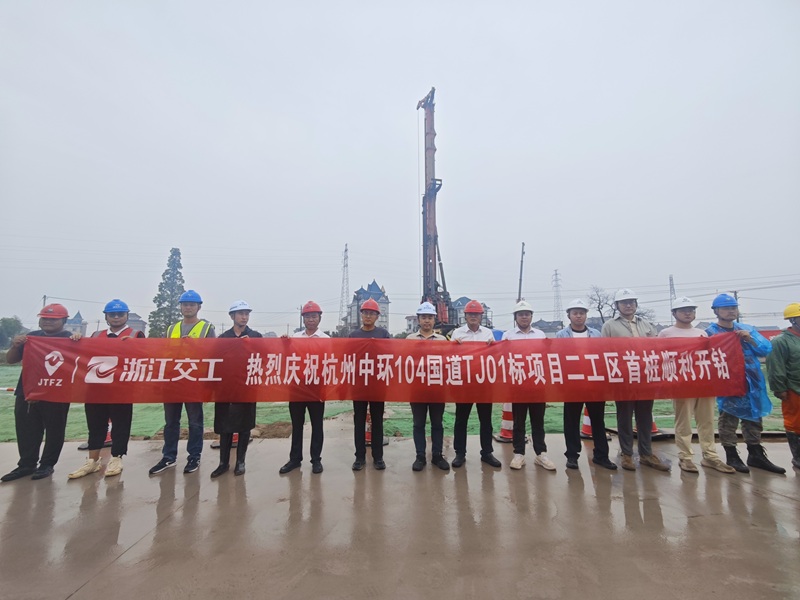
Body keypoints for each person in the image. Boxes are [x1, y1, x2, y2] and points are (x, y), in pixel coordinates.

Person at [706, 294, 784, 473]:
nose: (731, 311)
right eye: (726, 308)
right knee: (728, 418)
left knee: (754, 417)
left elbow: (765, 349)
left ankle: (756, 454)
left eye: (733, 307)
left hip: (752, 381)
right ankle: (732, 455)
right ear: (716, 311)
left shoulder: (747, 329)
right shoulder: (710, 333)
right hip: (729, 382)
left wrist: (749, 339)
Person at [68, 299, 145, 480]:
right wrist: (76, 340)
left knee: (120, 424)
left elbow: (145, 355)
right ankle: (92, 461)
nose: (116, 317)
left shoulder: (135, 334)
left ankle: (116, 458)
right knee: (95, 425)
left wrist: (134, 345)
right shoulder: (96, 335)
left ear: (126, 316)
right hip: (96, 388)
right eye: (112, 314)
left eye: (120, 314)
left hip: (121, 389)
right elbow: (81, 354)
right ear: (106, 317)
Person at [2, 304, 80, 482]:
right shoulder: (31, 338)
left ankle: (47, 464)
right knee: (26, 429)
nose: (48, 322)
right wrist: (15, 345)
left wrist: (79, 340)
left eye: (53, 319)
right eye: (44, 318)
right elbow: (11, 360)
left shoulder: (71, 339)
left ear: (64, 321)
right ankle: (26, 464)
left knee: (54, 429)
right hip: (27, 391)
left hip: (57, 392)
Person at [657, 297, 734, 474]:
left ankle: (710, 456)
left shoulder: (701, 333)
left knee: (707, 420)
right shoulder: (666, 333)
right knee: (684, 421)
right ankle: (685, 457)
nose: (688, 313)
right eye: (683, 310)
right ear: (674, 313)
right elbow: (660, 358)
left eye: (691, 310)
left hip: (703, 383)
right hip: (681, 384)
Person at [601, 288, 669, 471]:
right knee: (624, 416)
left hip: (645, 378)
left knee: (645, 416)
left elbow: (656, 349)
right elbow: (605, 352)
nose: (628, 305)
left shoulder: (646, 324)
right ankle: (627, 454)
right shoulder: (609, 326)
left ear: (636, 304)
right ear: (617, 306)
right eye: (624, 302)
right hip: (624, 378)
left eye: (631, 302)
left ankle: (646, 453)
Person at [149, 289, 215, 476]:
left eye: (192, 304)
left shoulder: (206, 328)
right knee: (171, 422)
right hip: (173, 381)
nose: (188, 307)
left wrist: (194, 346)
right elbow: (164, 352)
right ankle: (168, 456)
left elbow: (213, 354)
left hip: (194, 381)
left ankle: (194, 456)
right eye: (185, 304)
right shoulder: (172, 329)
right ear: (180, 307)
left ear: (198, 307)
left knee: (195, 422)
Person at [556, 299, 617, 470]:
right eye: (575, 313)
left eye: (581, 313)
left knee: (598, 421)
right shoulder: (561, 335)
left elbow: (603, 357)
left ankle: (601, 456)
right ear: (569, 315)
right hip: (572, 385)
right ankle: (572, 456)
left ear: (586, 315)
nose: (578, 316)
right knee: (571, 421)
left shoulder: (596, 334)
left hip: (594, 384)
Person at [502, 300, 555, 471]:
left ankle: (541, 453)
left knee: (538, 420)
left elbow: (547, 357)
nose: (524, 317)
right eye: (520, 314)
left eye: (527, 314)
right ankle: (519, 453)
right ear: (515, 317)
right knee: (519, 421)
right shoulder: (508, 336)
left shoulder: (540, 335)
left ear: (531, 316)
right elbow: (502, 357)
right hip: (517, 384)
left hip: (537, 383)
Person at [210, 300, 261, 478]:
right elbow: (215, 361)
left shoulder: (255, 336)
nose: (244, 317)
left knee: (244, 426)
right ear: (232, 316)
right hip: (226, 389)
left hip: (247, 388)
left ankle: (240, 461)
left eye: (246, 314)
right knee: (225, 426)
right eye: (240, 314)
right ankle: (223, 463)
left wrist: (250, 346)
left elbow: (265, 357)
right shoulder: (223, 338)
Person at [279, 301, 328, 475]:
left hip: (317, 388)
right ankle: (295, 459)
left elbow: (331, 362)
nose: (311, 320)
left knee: (317, 425)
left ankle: (316, 460)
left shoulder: (326, 340)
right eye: (307, 317)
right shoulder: (295, 338)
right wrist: (284, 344)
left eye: (314, 316)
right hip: (297, 387)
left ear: (319, 318)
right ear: (303, 319)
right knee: (297, 424)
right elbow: (286, 358)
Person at [451, 299, 501, 468]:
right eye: (470, 314)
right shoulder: (457, 333)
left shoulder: (487, 333)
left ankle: (487, 452)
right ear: (465, 316)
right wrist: (454, 346)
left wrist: (493, 347)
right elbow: (450, 358)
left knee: (485, 419)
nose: (473, 317)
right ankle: (460, 453)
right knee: (461, 419)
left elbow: (495, 356)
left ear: (481, 316)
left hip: (483, 383)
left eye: (476, 314)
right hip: (464, 383)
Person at [349, 298, 391, 471]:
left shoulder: (383, 334)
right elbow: (348, 358)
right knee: (359, 420)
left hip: (377, 384)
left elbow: (389, 355)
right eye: (365, 313)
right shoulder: (353, 336)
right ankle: (359, 457)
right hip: (359, 384)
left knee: (377, 420)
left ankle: (378, 457)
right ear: (361, 315)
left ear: (377, 316)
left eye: (371, 313)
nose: (368, 316)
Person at [407, 302, 449, 472]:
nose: (426, 321)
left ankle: (437, 455)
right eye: (423, 317)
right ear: (418, 319)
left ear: (434, 320)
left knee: (437, 423)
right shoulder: (409, 340)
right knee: (418, 424)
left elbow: (449, 362)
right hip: (416, 389)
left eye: (430, 317)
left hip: (437, 389)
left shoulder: (442, 340)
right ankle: (420, 456)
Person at [766, 303, 800, 470]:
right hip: (794, 389)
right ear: (793, 320)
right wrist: (779, 388)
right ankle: (798, 457)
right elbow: (776, 367)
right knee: (795, 423)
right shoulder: (781, 341)